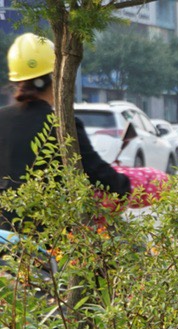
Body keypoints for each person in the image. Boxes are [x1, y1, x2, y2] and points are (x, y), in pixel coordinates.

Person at [0, 33, 131, 228]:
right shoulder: (64, 126)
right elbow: (97, 173)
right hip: (51, 241)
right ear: (56, 76)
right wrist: (125, 185)